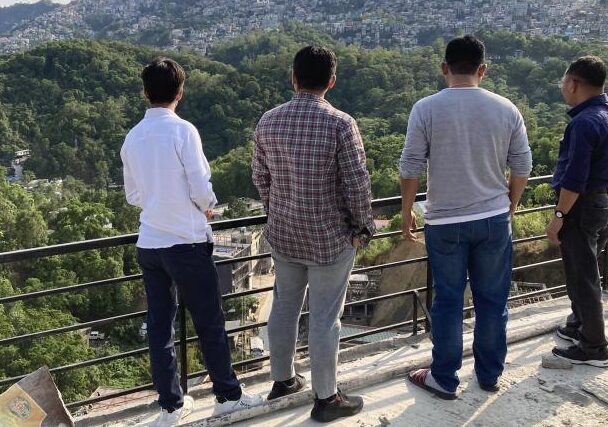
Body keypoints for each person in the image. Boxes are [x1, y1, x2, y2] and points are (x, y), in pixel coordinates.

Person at [121, 58, 263, 427]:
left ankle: (171, 405)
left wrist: (157, 199)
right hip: (185, 240)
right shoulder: (183, 131)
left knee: (160, 327)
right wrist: (207, 207)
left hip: (149, 243)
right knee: (209, 322)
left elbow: (133, 195)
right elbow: (201, 187)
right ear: (180, 93)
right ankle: (228, 397)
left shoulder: (133, 137)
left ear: (144, 92)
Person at [399, 35, 532, 399]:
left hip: (443, 221)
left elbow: (410, 167)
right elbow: (522, 164)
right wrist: (511, 204)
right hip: (492, 218)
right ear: (482, 70)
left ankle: (443, 377)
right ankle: (488, 374)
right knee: (492, 300)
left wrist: (406, 211)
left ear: (444, 68)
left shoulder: (425, 109)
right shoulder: (506, 108)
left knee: (449, 301)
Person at [252, 45, 375, 423]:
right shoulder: (341, 123)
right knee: (325, 319)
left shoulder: (268, 121)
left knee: (284, 308)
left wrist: (278, 210)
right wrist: (361, 227)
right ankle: (326, 399)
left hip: (285, 233)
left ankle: (284, 380)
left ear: (293, 77)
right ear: (331, 81)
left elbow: (260, 177)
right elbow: (356, 183)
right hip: (329, 238)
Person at [546, 56, 608, 367]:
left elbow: (575, 178)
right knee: (582, 268)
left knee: (583, 275)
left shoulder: (584, 123)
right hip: (600, 203)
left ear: (574, 84)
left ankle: (594, 347)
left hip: (581, 207)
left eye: (563, 82)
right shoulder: (604, 115)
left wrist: (558, 217)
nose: (562, 88)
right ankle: (578, 326)